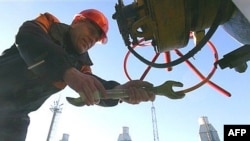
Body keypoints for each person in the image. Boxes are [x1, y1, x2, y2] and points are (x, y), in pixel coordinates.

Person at [0, 9, 155, 141]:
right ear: (76, 22)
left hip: (12, 118)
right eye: (91, 31)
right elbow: (28, 37)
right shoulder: (46, 25)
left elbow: (96, 85)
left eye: (96, 39)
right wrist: (67, 71)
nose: (92, 40)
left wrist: (121, 91)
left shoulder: (81, 65)